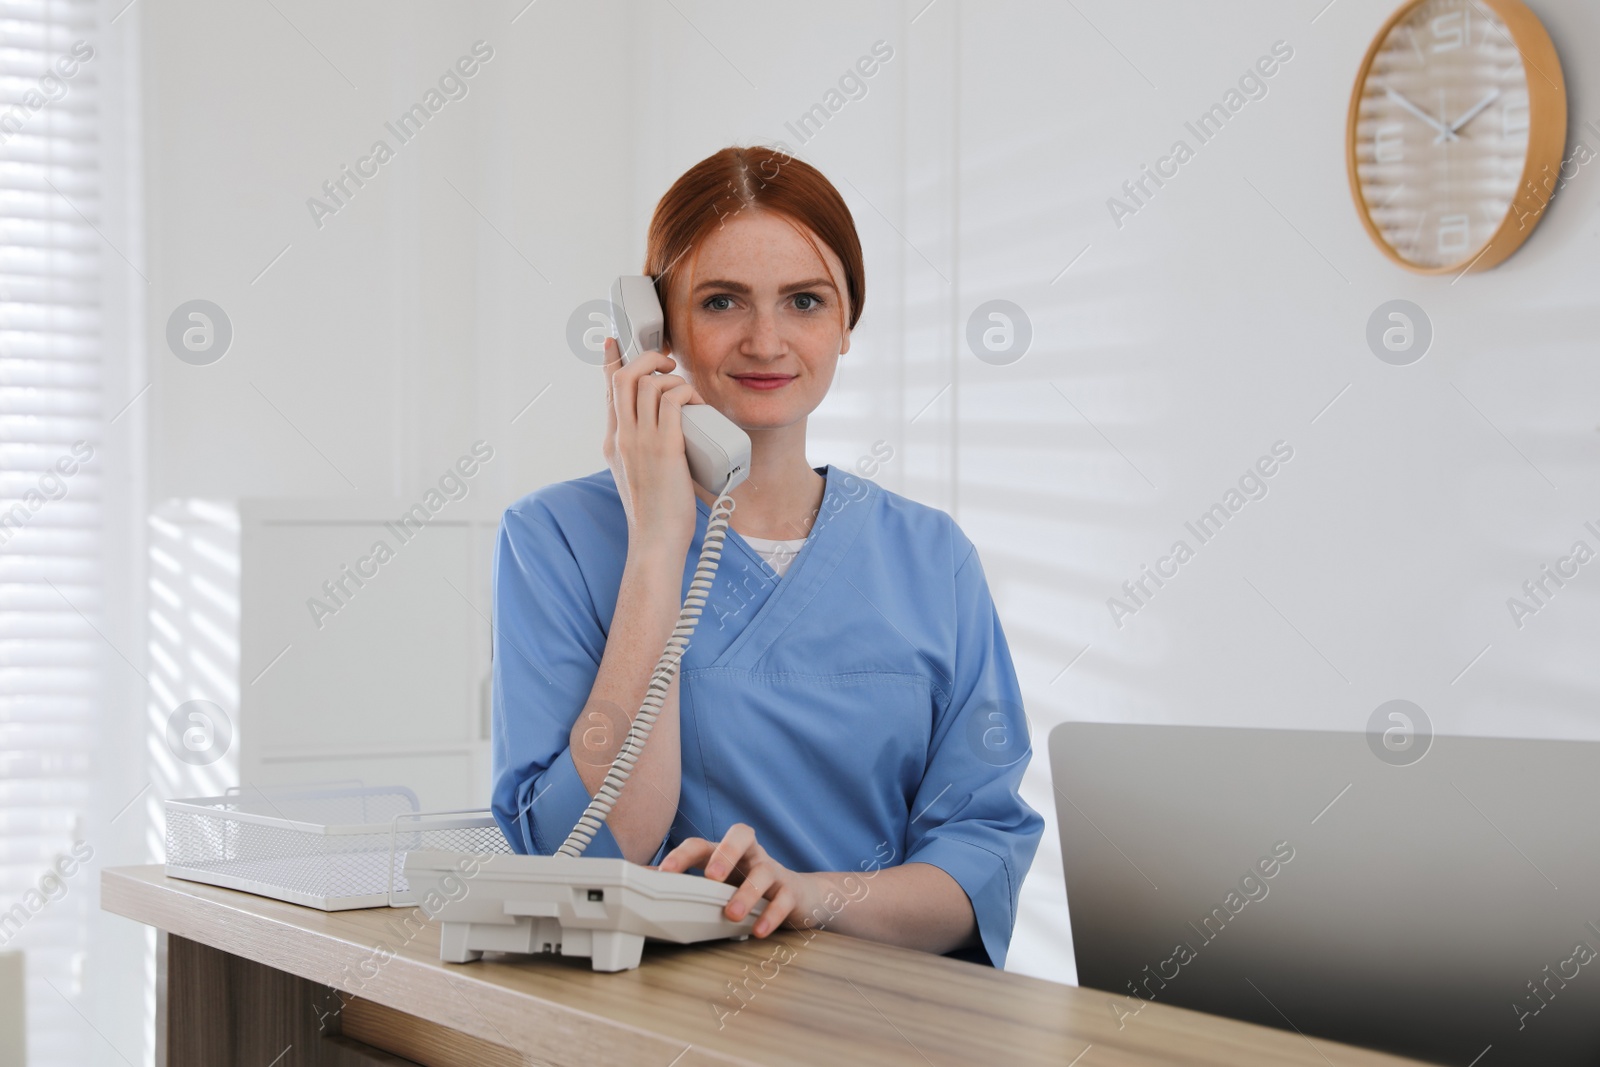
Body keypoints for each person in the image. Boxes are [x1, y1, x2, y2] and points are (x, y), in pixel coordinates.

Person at [490, 146, 1043, 968]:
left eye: (805, 301)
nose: (766, 339)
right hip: (652, 1017)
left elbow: (977, 866)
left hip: (882, 1018)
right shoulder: (555, 540)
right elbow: (591, 852)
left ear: (847, 321)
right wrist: (656, 548)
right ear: (656, 327)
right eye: (721, 301)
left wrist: (811, 895)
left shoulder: (932, 557)